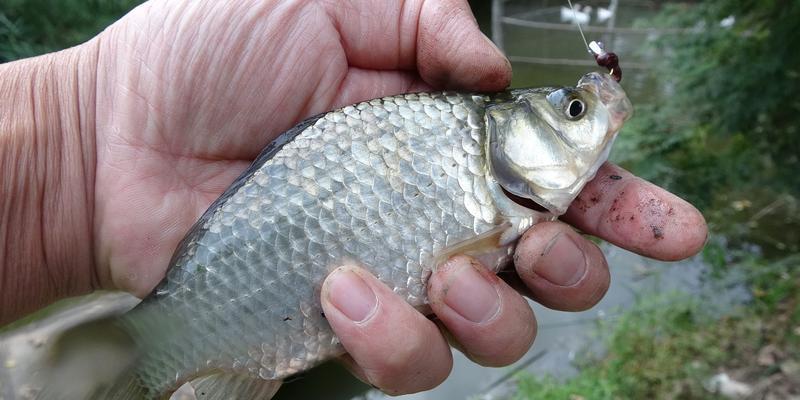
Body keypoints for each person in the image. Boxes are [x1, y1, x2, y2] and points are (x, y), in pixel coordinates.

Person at [0, 0, 707, 395]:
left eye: (573, 113)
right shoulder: (469, 152)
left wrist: (79, 159)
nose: (588, 118)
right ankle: (157, 350)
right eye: (573, 116)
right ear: (508, 139)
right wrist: (83, 146)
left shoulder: (481, 164)